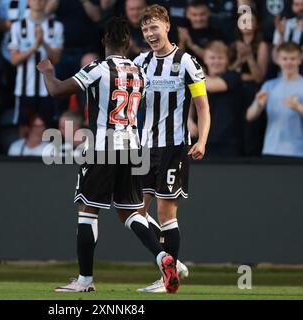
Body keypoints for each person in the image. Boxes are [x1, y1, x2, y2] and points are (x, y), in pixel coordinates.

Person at [37, 17, 178, 293]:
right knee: (131, 212)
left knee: (87, 211)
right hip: (133, 148)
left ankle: (85, 280)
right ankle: (163, 257)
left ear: (104, 42)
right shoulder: (139, 73)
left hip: (103, 146)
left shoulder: (97, 69)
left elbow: (56, 91)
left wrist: (46, 71)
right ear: (128, 43)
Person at [133, 4, 210, 293]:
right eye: (145, 29)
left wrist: (201, 140)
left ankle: (167, 281)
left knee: (167, 214)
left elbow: (202, 106)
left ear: (167, 26)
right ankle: (171, 264)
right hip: (144, 146)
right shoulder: (141, 62)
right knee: (135, 212)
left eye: (154, 27)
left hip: (174, 146)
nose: (150, 34)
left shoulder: (187, 62)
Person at [9, 0, 64, 126]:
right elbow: (14, 60)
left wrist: (43, 43)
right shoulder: (17, 26)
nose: (38, 1)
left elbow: (56, 59)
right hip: (24, 89)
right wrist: (34, 47)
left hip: (48, 89)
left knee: (49, 129)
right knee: (24, 129)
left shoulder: (56, 26)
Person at [246, 42, 303, 158]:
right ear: (277, 60)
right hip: (271, 149)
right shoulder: (269, 86)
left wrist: (298, 107)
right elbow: (249, 116)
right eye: (285, 58)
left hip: (298, 151)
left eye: (293, 58)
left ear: (300, 60)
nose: (288, 62)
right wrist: (259, 106)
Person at [191, 41, 243, 156]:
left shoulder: (233, 76)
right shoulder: (197, 78)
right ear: (205, 59)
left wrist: (193, 71)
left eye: (220, 58)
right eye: (212, 57)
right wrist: (188, 120)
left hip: (228, 141)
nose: (216, 61)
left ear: (227, 60)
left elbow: (212, 85)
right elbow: (189, 99)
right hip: (201, 141)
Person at [229, 10, 269, 156]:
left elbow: (259, 77)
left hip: (252, 91)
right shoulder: (233, 44)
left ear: (257, 24)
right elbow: (228, 73)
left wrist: (249, 56)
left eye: (250, 20)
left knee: (251, 128)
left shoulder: (262, 45)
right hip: (235, 91)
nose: (246, 24)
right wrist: (240, 59)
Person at [177, 0, 223, 66]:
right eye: (194, 15)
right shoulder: (182, 32)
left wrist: (191, 45)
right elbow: (176, 61)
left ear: (209, 13)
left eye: (202, 14)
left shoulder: (216, 33)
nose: (198, 19)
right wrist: (182, 42)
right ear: (187, 15)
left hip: (208, 72)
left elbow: (214, 59)